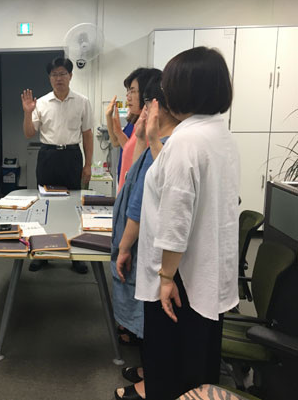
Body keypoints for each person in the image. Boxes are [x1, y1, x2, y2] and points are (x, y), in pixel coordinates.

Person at [135, 47, 239, 400]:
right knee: (198, 367)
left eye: (169, 84)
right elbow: (174, 180)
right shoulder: (217, 134)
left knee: (169, 369)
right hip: (205, 269)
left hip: (180, 275)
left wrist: (165, 278)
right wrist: (153, 140)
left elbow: (177, 216)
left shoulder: (187, 140)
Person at [110, 72, 180, 400]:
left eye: (136, 93)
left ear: (154, 104)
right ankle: (148, 371)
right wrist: (142, 134)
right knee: (146, 314)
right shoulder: (157, 140)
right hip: (148, 246)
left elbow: (139, 203)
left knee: (149, 315)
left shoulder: (167, 147)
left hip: (149, 249)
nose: (130, 98)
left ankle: (151, 382)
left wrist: (124, 246)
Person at [21, 57, 93, 274]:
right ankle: (44, 253)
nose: (58, 78)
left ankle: (75, 256)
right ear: (49, 78)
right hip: (48, 156)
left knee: (74, 206)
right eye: (54, 74)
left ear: (70, 76)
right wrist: (27, 112)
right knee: (46, 205)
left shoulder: (82, 101)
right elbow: (29, 133)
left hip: (72, 156)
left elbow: (87, 135)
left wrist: (88, 165)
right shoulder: (41, 103)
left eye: (62, 74)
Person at [106, 68, 161, 193]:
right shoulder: (139, 123)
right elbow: (130, 151)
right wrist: (117, 130)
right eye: (128, 92)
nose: (128, 97)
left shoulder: (151, 127)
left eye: (133, 91)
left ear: (146, 93)